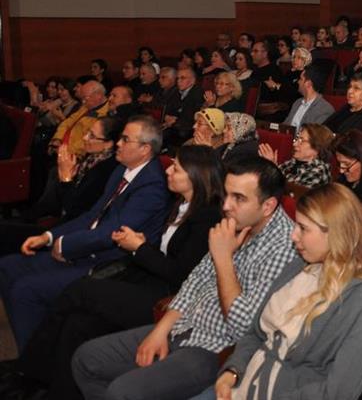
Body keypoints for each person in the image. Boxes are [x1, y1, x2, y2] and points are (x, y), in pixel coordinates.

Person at [3, 145, 224, 399]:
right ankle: (53, 388)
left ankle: (29, 372)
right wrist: (141, 245)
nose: (169, 172)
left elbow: (182, 275)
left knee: (80, 290)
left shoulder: (208, 216)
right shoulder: (181, 204)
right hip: (147, 280)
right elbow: (164, 253)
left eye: (177, 168)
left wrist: (139, 248)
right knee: (78, 324)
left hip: (169, 301)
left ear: (197, 175)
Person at [71, 157, 297, 400]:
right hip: (183, 326)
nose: (227, 206)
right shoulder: (237, 220)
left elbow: (245, 328)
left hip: (216, 350)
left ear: (268, 206)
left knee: (122, 391)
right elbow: (194, 281)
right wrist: (162, 329)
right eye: (227, 195)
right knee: (86, 359)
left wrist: (223, 260)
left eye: (239, 198)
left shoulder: (285, 247)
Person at [199, 183, 362, 400]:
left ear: (336, 233)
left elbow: (337, 393)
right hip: (241, 387)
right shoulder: (299, 265)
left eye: (303, 228)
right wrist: (233, 371)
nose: (293, 236)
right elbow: (256, 334)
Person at [0, 115, 169, 350]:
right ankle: (37, 346)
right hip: (87, 250)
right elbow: (92, 216)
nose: (118, 144)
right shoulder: (123, 171)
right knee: (8, 266)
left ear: (145, 149)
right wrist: (49, 237)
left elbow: (113, 231)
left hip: (110, 265)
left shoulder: (151, 187)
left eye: (125, 139)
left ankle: (33, 361)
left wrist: (66, 245)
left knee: (25, 290)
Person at [0, 116, 124, 256]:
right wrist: (23, 220)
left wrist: (66, 179)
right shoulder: (91, 160)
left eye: (92, 136)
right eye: (88, 132)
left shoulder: (106, 170)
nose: (84, 137)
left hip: (71, 233)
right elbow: (53, 201)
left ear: (108, 144)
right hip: (59, 223)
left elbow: (74, 210)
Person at [260, 123, 333, 188]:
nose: (294, 144)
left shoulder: (318, 171)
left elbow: (293, 194)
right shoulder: (292, 162)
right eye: (297, 139)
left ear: (317, 147)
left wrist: (273, 167)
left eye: (301, 141)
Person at [49, 79, 109, 158]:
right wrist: (57, 139)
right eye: (82, 98)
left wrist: (64, 150)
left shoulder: (105, 115)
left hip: (74, 154)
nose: (83, 102)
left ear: (98, 95)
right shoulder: (87, 106)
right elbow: (67, 122)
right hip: (63, 146)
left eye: (86, 98)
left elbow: (87, 141)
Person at [323, 69, 362, 140]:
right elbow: (324, 128)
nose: (350, 91)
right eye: (350, 87)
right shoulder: (347, 108)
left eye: (356, 88)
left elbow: (352, 143)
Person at [282, 60, 335, 129]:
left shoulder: (325, 110)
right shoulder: (297, 103)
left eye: (301, 79)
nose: (298, 82)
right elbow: (284, 126)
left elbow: (314, 136)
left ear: (308, 84)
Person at [162, 67, 205, 150]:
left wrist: (175, 121)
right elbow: (169, 109)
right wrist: (168, 117)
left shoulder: (198, 93)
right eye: (177, 78)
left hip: (187, 130)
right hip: (174, 127)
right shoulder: (175, 91)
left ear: (192, 80)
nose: (178, 81)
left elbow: (193, 117)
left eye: (183, 78)